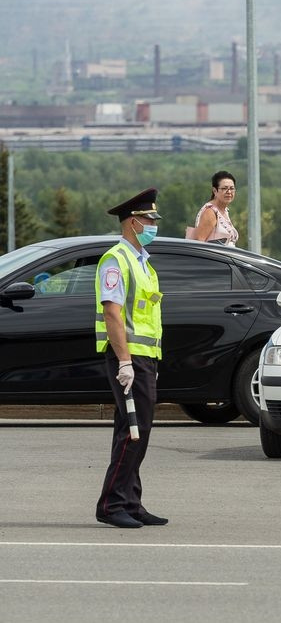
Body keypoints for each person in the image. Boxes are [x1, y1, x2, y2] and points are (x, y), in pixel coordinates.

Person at [94, 188, 168, 529]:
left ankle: (131, 501)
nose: (153, 225)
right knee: (134, 432)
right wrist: (124, 361)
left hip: (145, 357)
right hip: (130, 359)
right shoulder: (116, 260)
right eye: (148, 220)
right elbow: (113, 314)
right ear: (132, 222)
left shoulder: (142, 262)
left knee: (135, 430)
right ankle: (112, 504)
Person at [191, 170, 239, 246]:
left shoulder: (225, 211)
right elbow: (199, 244)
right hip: (214, 257)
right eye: (224, 188)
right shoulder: (210, 212)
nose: (229, 192)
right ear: (215, 191)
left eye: (232, 188)